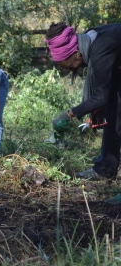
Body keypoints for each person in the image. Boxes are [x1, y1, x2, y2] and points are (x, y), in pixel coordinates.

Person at [45, 22, 121, 180]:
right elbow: (107, 93)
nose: (67, 69)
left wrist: (68, 114)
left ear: (77, 53)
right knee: (113, 108)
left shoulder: (100, 48)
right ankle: (104, 170)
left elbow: (101, 96)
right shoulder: (91, 39)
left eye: (67, 64)